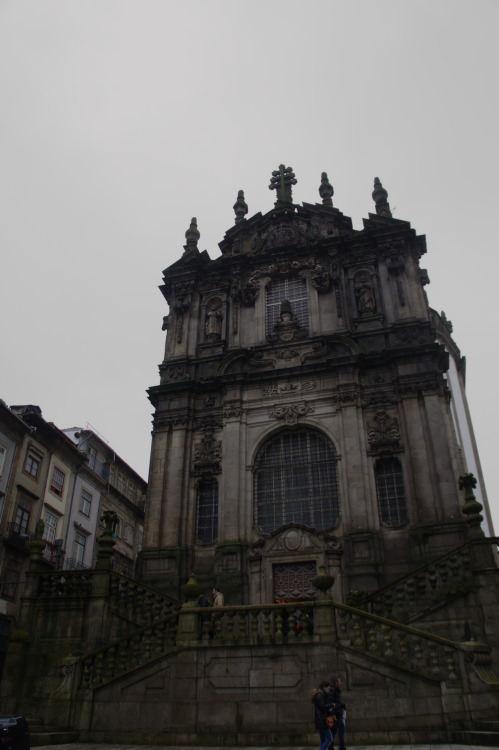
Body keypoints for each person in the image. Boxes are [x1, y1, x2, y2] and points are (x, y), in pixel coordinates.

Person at [312, 680, 334, 750]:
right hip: (322, 720)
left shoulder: (321, 695)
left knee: (323, 740)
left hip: (320, 720)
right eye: (328, 688)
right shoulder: (320, 695)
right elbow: (321, 706)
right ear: (324, 687)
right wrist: (331, 705)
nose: (329, 690)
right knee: (330, 738)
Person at [329, 676, 347, 750]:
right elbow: (331, 703)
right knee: (340, 731)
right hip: (336, 715)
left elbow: (337, 703)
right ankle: (340, 747)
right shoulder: (332, 691)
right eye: (339, 682)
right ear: (336, 683)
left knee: (334, 732)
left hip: (337, 714)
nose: (340, 683)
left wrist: (343, 705)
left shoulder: (335, 690)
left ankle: (332, 747)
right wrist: (333, 714)